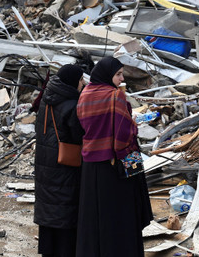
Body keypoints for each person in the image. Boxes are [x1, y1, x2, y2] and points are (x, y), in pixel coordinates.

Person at [75, 56, 153, 257]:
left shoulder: (85, 94)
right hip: (117, 161)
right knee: (123, 214)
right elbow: (124, 134)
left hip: (91, 162)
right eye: (118, 74)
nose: (121, 78)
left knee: (96, 216)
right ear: (108, 75)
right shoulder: (115, 96)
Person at [34, 64, 86, 257]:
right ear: (73, 81)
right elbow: (77, 135)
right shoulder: (72, 105)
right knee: (65, 211)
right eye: (81, 80)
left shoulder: (47, 99)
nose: (83, 83)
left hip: (45, 163)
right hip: (65, 166)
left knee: (50, 210)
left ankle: (48, 251)